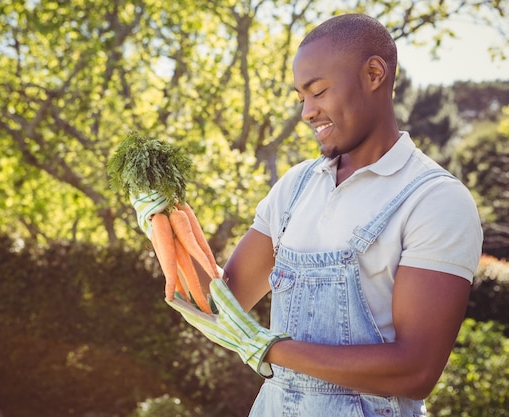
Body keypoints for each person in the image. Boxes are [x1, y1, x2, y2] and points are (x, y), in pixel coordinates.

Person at [134, 13, 483, 416]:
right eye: (302, 97)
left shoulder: (434, 200)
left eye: (318, 91)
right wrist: (164, 221)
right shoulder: (296, 187)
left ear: (374, 74)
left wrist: (272, 349)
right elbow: (219, 304)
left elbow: (415, 370)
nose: (307, 112)